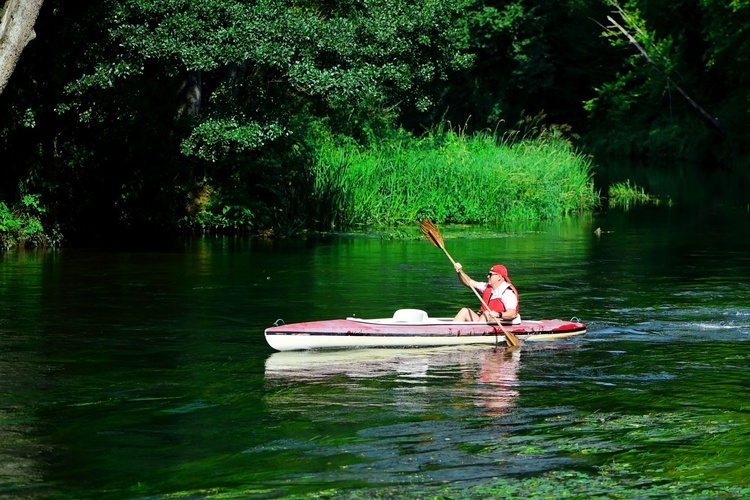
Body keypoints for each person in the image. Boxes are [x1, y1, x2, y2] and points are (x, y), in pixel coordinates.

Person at [453, 262, 519, 322]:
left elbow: (512, 313)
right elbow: (469, 282)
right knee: (465, 311)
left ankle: (476, 332)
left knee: (487, 313)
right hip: (484, 320)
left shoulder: (508, 293)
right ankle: (451, 331)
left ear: (499, 277)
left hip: (500, 324)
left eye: (490, 274)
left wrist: (498, 314)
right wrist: (460, 271)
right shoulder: (486, 287)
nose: (488, 276)